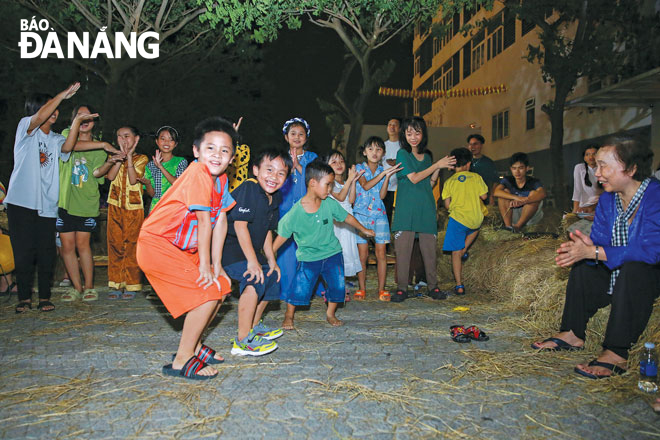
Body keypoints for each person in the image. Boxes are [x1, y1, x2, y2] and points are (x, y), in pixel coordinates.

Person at [532, 137, 660, 380]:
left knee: (634, 269)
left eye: (604, 166)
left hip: (650, 273)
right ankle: (572, 333)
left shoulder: (656, 196)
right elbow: (599, 243)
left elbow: (652, 251)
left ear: (632, 169)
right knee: (584, 267)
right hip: (618, 269)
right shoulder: (609, 200)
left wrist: (596, 252)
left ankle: (616, 352)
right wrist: (584, 249)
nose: (597, 172)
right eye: (596, 166)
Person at [137, 116, 236, 380]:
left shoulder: (221, 179)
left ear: (232, 157)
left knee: (222, 288)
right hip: (157, 244)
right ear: (196, 151)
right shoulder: (197, 173)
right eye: (210, 148)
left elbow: (220, 221)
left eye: (225, 150)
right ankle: (182, 360)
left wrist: (217, 265)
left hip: (181, 249)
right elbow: (204, 221)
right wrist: (205, 265)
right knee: (208, 292)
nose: (217, 155)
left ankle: (194, 345)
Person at [5, 82, 81, 313]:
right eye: (50, 106)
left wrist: (76, 122)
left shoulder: (55, 138)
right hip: (21, 202)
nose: (55, 111)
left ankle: (45, 297)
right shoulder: (25, 128)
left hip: (47, 204)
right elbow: (39, 118)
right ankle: (25, 298)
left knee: (47, 252)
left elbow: (68, 147)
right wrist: (62, 95)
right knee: (24, 251)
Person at [273, 161, 375, 330]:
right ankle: (289, 315)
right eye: (328, 185)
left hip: (332, 254)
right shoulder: (296, 212)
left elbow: (346, 217)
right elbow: (282, 236)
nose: (330, 190)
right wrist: (270, 255)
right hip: (308, 258)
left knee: (337, 286)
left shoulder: (329, 203)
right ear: (313, 183)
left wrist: (363, 229)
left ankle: (330, 313)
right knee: (300, 288)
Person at [223, 148, 292, 356]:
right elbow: (240, 226)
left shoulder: (275, 197)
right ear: (255, 170)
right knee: (255, 277)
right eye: (269, 170)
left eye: (281, 173)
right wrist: (253, 262)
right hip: (229, 248)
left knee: (271, 275)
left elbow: (267, 231)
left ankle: (253, 327)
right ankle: (242, 341)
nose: (274, 177)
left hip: (248, 248)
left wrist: (272, 259)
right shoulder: (249, 189)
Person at [58, 105, 123, 303]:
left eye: (89, 117)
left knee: (83, 245)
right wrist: (104, 144)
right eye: (80, 116)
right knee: (66, 246)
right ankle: (75, 288)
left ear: (95, 122)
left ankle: (89, 287)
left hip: (87, 202)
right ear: (74, 119)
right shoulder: (66, 135)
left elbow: (97, 173)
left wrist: (112, 160)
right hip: (64, 201)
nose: (85, 120)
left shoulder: (99, 146)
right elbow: (70, 147)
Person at [390, 117, 456, 303]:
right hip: (406, 209)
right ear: (404, 134)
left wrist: (438, 169)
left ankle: (433, 287)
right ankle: (402, 288)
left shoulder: (426, 157)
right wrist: (437, 165)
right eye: (409, 133)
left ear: (423, 134)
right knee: (403, 251)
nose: (413, 137)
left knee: (429, 251)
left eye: (417, 133)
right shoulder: (403, 154)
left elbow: (429, 183)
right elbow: (414, 178)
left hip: (426, 207)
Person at [276, 118, 319, 307]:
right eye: (293, 133)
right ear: (286, 137)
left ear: (306, 137)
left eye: (301, 134)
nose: (297, 137)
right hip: (284, 209)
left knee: (306, 251)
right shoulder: (279, 157)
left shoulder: (312, 157)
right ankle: (286, 293)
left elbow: (315, 178)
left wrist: (297, 165)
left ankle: (305, 292)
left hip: (307, 210)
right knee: (286, 253)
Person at [353, 137, 401, 301]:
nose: (375, 152)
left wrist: (387, 177)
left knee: (382, 254)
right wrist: (383, 174)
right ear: (365, 152)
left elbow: (381, 195)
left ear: (383, 153)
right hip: (361, 216)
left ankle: (382, 289)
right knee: (363, 255)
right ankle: (362, 289)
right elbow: (365, 186)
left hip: (379, 215)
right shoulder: (359, 168)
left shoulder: (382, 170)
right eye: (371, 149)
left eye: (378, 149)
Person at [106, 126, 149, 300]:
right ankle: (115, 283)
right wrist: (118, 159)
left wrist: (129, 157)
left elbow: (133, 179)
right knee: (115, 244)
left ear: (136, 138)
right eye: (119, 137)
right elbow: (109, 177)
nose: (123, 140)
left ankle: (132, 283)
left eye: (127, 136)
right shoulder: (113, 157)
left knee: (132, 245)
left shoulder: (142, 158)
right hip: (115, 205)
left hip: (134, 207)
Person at [440, 148, 488, 298]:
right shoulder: (477, 177)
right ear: (469, 164)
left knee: (455, 252)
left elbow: (447, 205)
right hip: (475, 219)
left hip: (459, 219)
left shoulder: (449, 182)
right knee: (475, 228)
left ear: (454, 165)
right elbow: (484, 196)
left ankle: (459, 284)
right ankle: (465, 249)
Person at [324, 151, 364, 301]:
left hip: (348, 222)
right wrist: (350, 180)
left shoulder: (344, 182)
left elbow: (350, 199)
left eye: (341, 161)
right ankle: (335, 288)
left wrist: (352, 181)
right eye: (334, 162)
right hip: (337, 223)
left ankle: (342, 286)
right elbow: (340, 197)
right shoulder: (329, 183)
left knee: (347, 252)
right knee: (336, 254)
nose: (339, 164)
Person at [140, 125, 188, 214]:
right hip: (156, 208)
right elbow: (153, 194)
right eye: (163, 139)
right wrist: (148, 184)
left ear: (176, 144)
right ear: (157, 142)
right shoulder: (150, 165)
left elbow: (178, 184)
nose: (167, 142)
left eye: (171, 139)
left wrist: (161, 167)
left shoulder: (181, 162)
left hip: (174, 207)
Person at [493, 152, 546, 232]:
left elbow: (542, 194)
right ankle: (509, 227)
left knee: (534, 194)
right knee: (504, 192)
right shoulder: (508, 180)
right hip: (514, 215)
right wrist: (517, 198)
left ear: (527, 168)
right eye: (514, 168)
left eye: (521, 168)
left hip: (531, 217)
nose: (517, 172)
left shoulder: (534, 181)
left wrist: (524, 201)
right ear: (511, 169)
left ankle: (518, 227)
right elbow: (496, 192)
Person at [467, 134, 498, 205]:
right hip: (468, 197)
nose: (472, 147)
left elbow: (495, 180)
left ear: (481, 145)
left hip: (484, 197)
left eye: (475, 144)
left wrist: (491, 196)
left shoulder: (488, 162)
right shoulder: (465, 162)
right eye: (470, 144)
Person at [572, 145, 602, 217]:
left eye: (594, 154)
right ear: (584, 158)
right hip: (584, 207)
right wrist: (574, 211)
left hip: (601, 204)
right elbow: (577, 190)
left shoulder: (604, 168)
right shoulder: (579, 168)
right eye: (587, 154)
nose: (591, 157)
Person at [383, 118, 401, 223]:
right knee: (386, 213)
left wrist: (397, 162)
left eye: (395, 125)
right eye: (390, 124)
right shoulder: (382, 145)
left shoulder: (404, 146)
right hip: (386, 186)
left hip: (400, 186)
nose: (392, 127)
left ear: (400, 128)